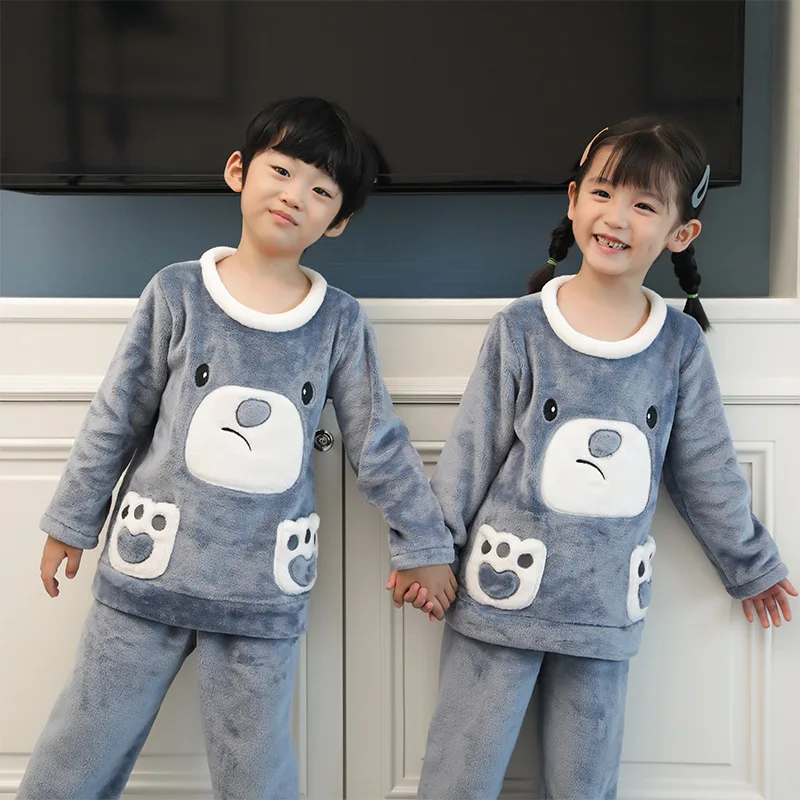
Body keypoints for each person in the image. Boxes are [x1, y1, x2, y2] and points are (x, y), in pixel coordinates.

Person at [19, 96, 456, 800]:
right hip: (147, 573)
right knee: (82, 742)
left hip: (261, 593)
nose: (295, 195)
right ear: (238, 171)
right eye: (281, 170)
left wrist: (424, 545)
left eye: (321, 190)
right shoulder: (177, 293)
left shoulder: (339, 323)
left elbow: (379, 444)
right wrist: (71, 522)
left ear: (338, 221)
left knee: (255, 768)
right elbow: (116, 418)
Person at [391, 118, 796, 799]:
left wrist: (750, 564)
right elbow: (470, 449)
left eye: (644, 204)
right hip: (498, 599)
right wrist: (425, 549)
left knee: (586, 784)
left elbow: (707, 471)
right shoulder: (522, 327)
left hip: (604, 611)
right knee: (461, 775)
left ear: (681, 233)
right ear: (574, 199)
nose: (616, 217)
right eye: (603, 193)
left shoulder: (678, 347)